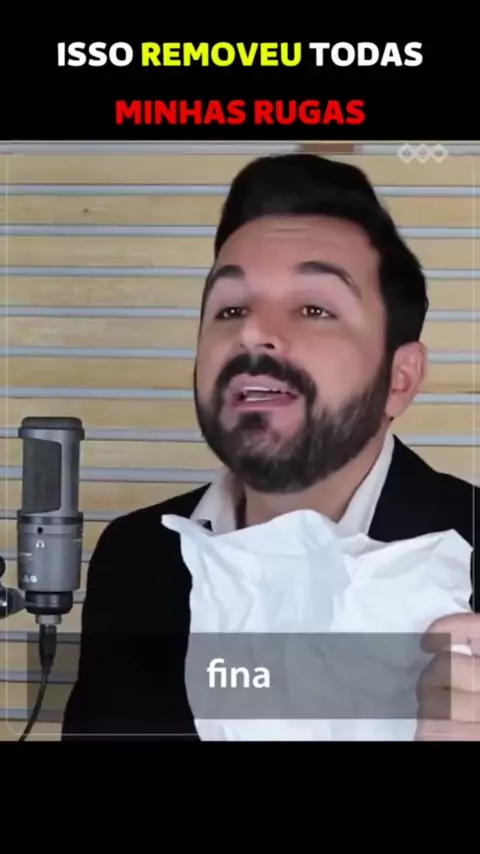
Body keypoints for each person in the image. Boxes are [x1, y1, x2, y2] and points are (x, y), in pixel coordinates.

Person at [61, 153, 479, 741]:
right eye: (231, 308)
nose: (252, 332)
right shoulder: (136, 559)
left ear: (399, 378)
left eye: (314, 309)